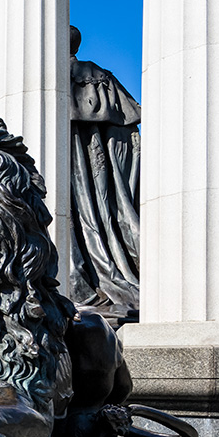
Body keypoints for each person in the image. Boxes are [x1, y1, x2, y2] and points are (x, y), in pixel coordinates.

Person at [68, 26, 142, 320]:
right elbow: (128, 137)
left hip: (74, 168)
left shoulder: (50, 78)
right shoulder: (103, 77)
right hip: (103, 177)